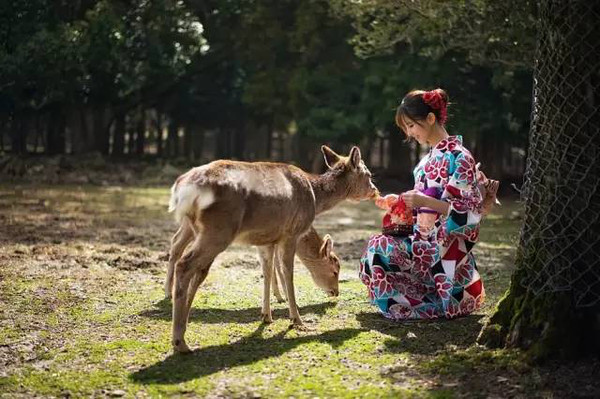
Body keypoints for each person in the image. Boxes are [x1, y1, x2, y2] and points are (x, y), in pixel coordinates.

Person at [359, 88, 495, 320]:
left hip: (445, 245)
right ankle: (415, 299)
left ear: (430, 119)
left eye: (412, 126)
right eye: (406, 128)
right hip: (421, 238)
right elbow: (421, 202)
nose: (410, 134)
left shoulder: (460, 157)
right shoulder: (426, 161)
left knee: (381, 248)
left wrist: (423, 201)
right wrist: (401, 201)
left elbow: (470, 211)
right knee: (376, 247)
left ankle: (440, 301)